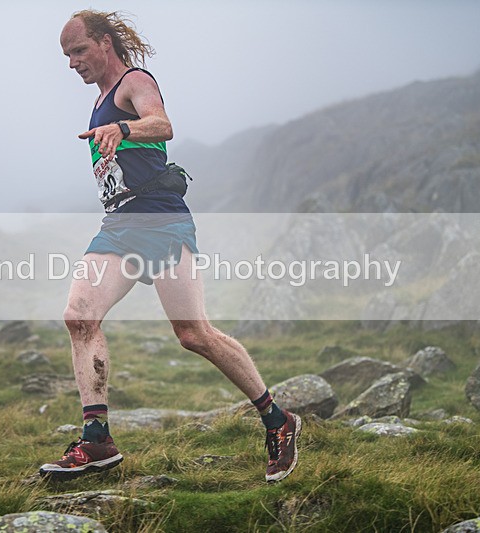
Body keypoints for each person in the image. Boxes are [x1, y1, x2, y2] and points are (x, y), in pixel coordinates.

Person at [39, 9, 301, 483]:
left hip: (160, 221)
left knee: (194, 334)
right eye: (66, 56)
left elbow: (161, 124)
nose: (72, 63)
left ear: (104, 43)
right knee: (79, 315)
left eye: (79, 50)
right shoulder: (99, 101)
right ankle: (96, 438)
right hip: (119, 226)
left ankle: (277, 420)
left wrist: (122, 129)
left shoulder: (134, 82)